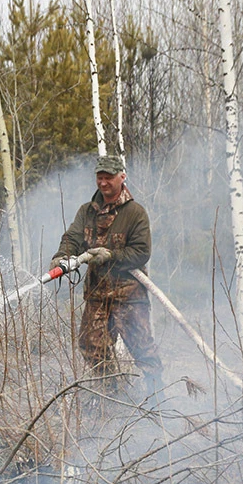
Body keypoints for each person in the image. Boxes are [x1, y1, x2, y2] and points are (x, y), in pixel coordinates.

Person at [50, 154, 164, 396]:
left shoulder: (135, 213)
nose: (103, 183)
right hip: (97, 295)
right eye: (99, 178)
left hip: (129, 296)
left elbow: (141, 252)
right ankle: (113, 396)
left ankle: (157, 399)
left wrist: (111, 256)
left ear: (122, 177)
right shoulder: (87, 212)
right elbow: (73, 238)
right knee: (91, 345)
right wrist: (63, 256)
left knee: (142, 349)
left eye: (109, 178)